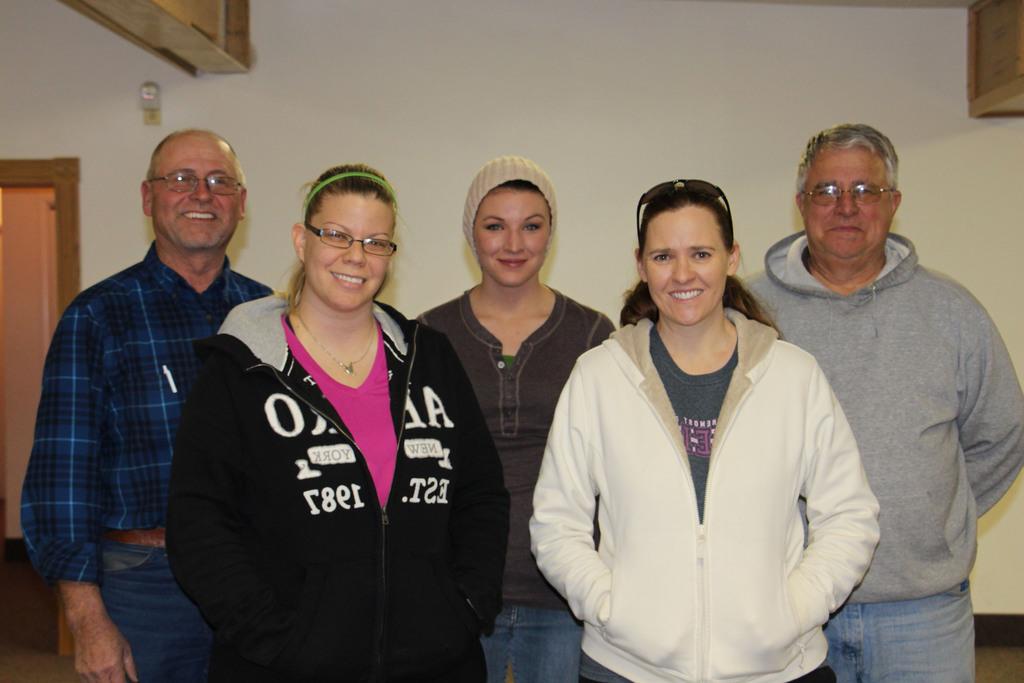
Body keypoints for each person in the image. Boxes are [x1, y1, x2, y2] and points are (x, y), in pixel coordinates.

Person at [165, 164, 510, 682]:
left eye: (376, 242)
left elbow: (481, 492)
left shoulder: (429, 357)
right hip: (285, 664)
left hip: (435, 660)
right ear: (302, 241)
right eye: (337, 236)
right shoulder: (240, 370)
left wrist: (465, 604)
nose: (356, 256)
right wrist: (269, 634)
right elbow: (199, 521)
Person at [530, 178, 880, 683]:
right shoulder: (598, 377)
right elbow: (556, 522)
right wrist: (610, 607)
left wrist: (794, 610)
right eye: (663, 257)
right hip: (626, 669)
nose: (682, 274)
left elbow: (850, 515)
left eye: (701, 253)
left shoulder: (793, 376)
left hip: (778, 670)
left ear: (732, 257)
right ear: (640, 264)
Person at [748, 123, 1024, 683]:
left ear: (893, 203)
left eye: (865, 191)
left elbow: (1002, 432)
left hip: (922, 613)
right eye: (826, 191)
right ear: (801, 203)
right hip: (789, 607)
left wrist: (937, 512)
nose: (845, 207)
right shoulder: (749, 314)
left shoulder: (950, 311)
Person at [20, 129, 271, 683]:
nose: (201, 194)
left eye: (219, 181)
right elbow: (62, 480)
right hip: (144, 586)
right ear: (147, 197)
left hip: (257, 575)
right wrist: (88, 621)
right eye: (181, 179)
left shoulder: (271, 318)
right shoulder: (98, 316)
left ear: (242, 203)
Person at [419, 156, 614, 682]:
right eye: (494, 226)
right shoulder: (426, 338)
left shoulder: (595, 334)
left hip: (564, 596)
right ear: (470, 233)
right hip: (456, 590)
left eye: (531, 225)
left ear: (550, 234)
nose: (513, 244)